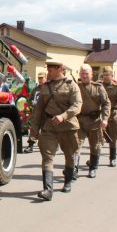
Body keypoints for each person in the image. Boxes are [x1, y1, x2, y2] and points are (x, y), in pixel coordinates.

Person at [30, 59, 82, 201]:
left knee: (69, 155)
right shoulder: (45, 87)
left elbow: (77, 105)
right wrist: (34, 127)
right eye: (48, 69)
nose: (48, 72)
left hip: (68, 126)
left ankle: (67, 182)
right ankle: (48, 190)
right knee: (47, 157)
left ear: (60, 69)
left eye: (51, 69)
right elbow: (39, 109)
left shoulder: (72, 85)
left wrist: (63, 116)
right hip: (49, 126)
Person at [77, 64, 110, 179]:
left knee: (95, 146)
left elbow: (106, 103)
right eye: (82, 73)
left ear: (91, 74)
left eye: (87, 74)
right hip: (79, 121)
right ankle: (73, 170)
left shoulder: (98, 87)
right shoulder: (76, 87)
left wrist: (105, 118)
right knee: (75, 146)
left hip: (94, 121)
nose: (84, 76)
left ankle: (93, 168)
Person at [102, 68, 117, 167]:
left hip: (113, 116)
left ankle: (112, 158)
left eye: (108, 75)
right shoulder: (99, 86)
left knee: (113, 139)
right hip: (100, 116)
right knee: (97, 139)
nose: (105, 77)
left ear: (112, 76)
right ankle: (93, 160)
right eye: (104, 75)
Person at [25, 72, 47, 153]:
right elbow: (29, 99)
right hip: (36, 112)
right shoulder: (35, 89)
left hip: (46, 113)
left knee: (47, 130)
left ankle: (48, 146)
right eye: (39, 78)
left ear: (46, 78)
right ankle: (30, 145)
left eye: (42, 78)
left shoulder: (49, 88)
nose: (40, 80)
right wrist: (32, 103)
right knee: (33, 129)